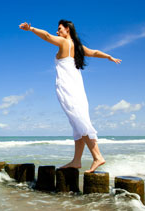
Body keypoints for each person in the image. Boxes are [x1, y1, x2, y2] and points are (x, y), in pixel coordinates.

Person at [19, 20, 121, 173]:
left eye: (60, 29)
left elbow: (46, 36)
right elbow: (93, 52)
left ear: (67, 29)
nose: (57, 32)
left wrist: (31, 29)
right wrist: (108, 56)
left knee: (80, 122)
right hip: (78, 88)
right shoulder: (78, 47)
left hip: (67, 88)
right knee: (77, 123)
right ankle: (76, 161)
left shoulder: (64, 43)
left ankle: (97, 156)